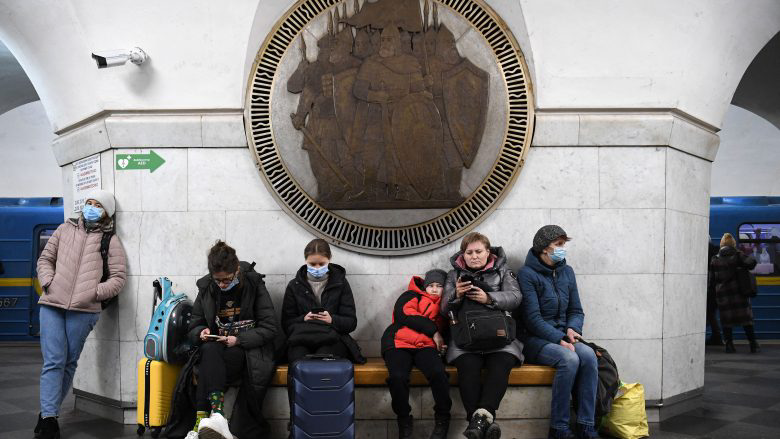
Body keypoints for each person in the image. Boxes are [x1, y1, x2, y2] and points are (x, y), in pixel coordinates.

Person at [34, 189, 127, 439]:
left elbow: (119, 278)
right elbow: (44, 260)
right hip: (52, 304)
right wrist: (48, 282)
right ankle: (48, 417)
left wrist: (94, 292)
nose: (91, 207)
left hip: (84, 310)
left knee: (68, 362)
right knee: (54, 361)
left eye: (97, 205)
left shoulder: (110, 240)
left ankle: (48, 410)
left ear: (107, 212)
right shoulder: (64, 230)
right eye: (89, 203)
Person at [186, 241, 278, 439]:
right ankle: (218, 416)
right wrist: (201, 331)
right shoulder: (207, 288)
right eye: (217, 280)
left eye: (227, 280)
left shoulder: (253, 285)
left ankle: (200, 423)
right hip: (216, 348)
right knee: (209, 351)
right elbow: (194, 324)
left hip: (247, 349)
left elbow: (270, 328)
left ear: (237, 270)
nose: (222, 285)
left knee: (207, 366)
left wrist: (239, 339)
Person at [517, 225, 599, 439]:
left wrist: (572, 329)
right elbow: (532, 319)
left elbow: (576, 309)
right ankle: (559, 428)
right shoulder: (527, 274)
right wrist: (560, 339)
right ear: (544, 248)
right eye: (559, 245)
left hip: (564, 334)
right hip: (534, 340)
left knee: (589, 356)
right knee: (569, 359)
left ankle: (586, 425)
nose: (563, 249)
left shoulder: (567, 271)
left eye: (564, 244)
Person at [441, 232, 522, 439]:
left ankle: (476, 424)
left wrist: (489, 298)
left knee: (501, 365)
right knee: (467, 368)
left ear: (488, 252)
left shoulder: (503, 271)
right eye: (469, 252)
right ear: (463, 254)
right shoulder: (453, 275)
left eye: (478, 251)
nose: (474, 256)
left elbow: (515, 297)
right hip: (465, 340)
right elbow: (443, 308)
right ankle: (485, 421)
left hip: (500, 337)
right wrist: (456, 295)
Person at [381, 269, 452, 439]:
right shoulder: (412, 295)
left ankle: (442, 419)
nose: (434, 289)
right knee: (397, 377)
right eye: (431, 285)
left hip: (426, 347)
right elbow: (404, 314)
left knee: (439, 374)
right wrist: (433, 331)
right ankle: (404, 420)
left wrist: (444, 345)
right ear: (424, 286)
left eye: (439, 286)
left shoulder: (446, 305)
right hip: (398, 342)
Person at [709, 233, 760, 353]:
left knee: (726, 322)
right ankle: (753, 344)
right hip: (739, 294)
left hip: (723, 295)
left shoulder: (715, 259)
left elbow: (712, 280)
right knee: (746, 320)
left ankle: (729, 346)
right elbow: (752, 263)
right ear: (733, 244)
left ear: (721, 244)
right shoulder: (738, 255)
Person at [706, 240, 724, 345]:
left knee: (710, 313)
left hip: (711, 289)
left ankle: (717, 336)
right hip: (721, 289)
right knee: (713, 313)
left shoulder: (704, 252)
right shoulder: (717, 252)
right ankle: (717, 336)